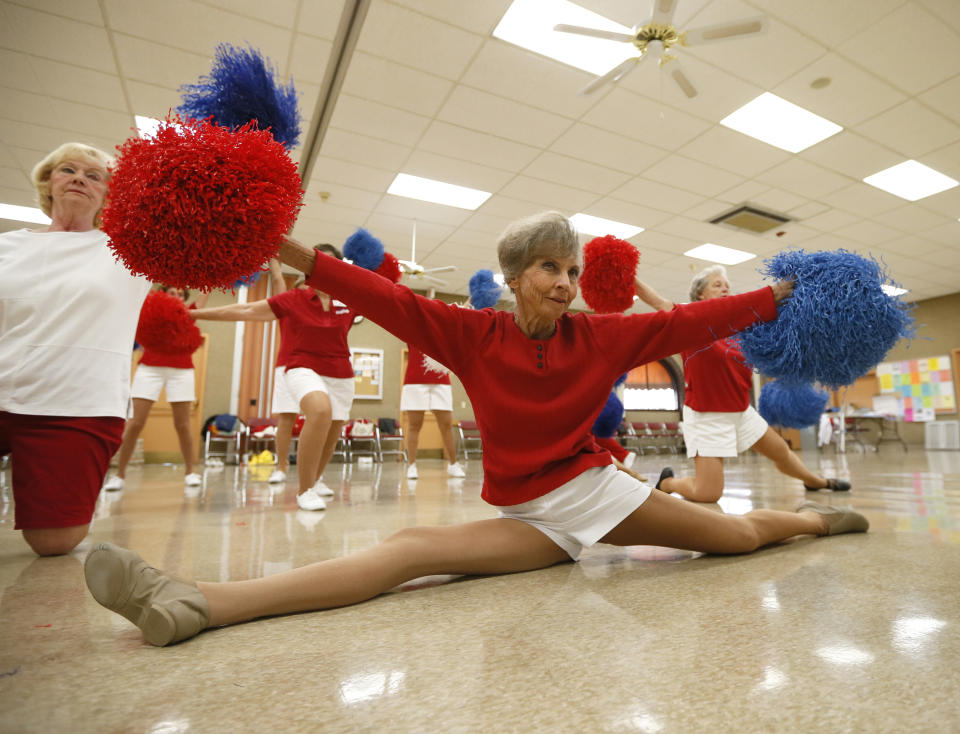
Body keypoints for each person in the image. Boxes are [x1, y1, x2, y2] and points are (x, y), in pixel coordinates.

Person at [83, 211, 868, 646]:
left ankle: (812, 517)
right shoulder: (469, 334)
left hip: (590, 491)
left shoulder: (601, 335)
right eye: (550, 269)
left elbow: (693, 319)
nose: (565, 283)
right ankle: (195, 600)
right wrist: (270, 244)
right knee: (408, 554)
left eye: (571, 270)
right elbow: (373, 293)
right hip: (529, 510)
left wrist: (780, 294)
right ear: (518, 276)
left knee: (731, 539)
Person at [0, 143, 151, 556]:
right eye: (68, 170)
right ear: (48, 182)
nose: (80, 178)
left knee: (55, 542)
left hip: (76, 403)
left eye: (95, 175)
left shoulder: (131, 252)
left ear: (108, 194)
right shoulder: (7, 246)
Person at [635, 265, 851, 502]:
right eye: (717, 285)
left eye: (726, 285)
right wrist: (629, 278)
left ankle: (816, 481)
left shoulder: (741, 328)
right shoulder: (690, 321)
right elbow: (658, 302)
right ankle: (668, 483)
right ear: (700, 295)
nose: (725, 288)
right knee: (708, 493)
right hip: (707, 415)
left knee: (781, 452)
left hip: (740, 411)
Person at [190, 244, 357, 511]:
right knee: (320, 411)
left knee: (331, 434)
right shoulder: (294, 299)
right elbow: (243, 311)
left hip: (341, 374)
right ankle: (304, 490)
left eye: (331, 263)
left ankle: (315, 480)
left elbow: (387, 305)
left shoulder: (349, 302)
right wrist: (192, 314)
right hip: (303, 366)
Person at [103, 286, 210, 490]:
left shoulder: (189, 314)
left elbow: (205, 293)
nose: (177, 296)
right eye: (173, 293)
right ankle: (119, 475)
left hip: (182, 370)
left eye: (181, 294)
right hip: (150, 368)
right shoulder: (152, 312)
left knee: (183, 424)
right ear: (162, 295)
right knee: (135, 423)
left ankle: (190, 472)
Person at [401, 343, 466, 479]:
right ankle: (411, 465)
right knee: (414, 425)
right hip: (415, 380)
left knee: (446, 425)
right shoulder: (411, 325)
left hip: (440, 378)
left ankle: (453, 464)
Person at [265, 257, 298, 485]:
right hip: (287, 366)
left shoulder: (324, 309)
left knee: (322, 418)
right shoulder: (287, 310)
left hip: (318, 367)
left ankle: (315, 472)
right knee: (286, 419)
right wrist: (274, 259)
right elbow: (277, 280)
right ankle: (281, 466)